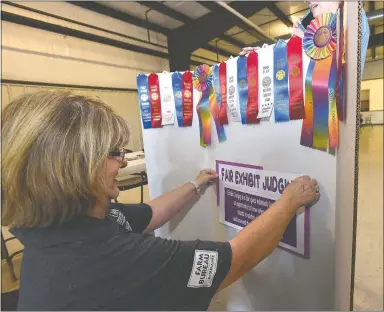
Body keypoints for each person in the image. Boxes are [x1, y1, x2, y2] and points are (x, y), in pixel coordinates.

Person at [2, 91, 320, 310]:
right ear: (73, 171)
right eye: (113, 154)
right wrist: (289, 200)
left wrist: (195, 185)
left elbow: (150, 213)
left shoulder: (70, 222)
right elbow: (235, 260)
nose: (123, 162)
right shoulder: (112, 258)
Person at [240, 1, 369, 76]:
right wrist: (264, 56)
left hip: (337, 114)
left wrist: (303, 41)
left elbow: (336, 72)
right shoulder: (307, 25)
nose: (307, 1)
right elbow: (288, 65)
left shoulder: (353, 16)